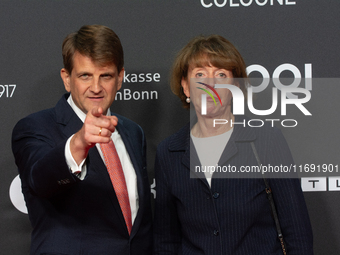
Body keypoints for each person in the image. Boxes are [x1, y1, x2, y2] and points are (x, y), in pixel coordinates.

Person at [153, 35, 313, 254]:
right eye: (200, 74)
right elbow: (166, 240)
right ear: (186, 87)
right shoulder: (169, 152)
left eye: (221, 74)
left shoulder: (266, 141)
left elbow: (297, 231)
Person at [12, 25, 152, 255]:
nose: (96, 88)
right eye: (85, 75)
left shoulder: (133, 132)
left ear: (120, 78)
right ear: (67, 79)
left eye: (105, 76)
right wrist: (79, 143)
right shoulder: (34, 127)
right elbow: (39, 180)